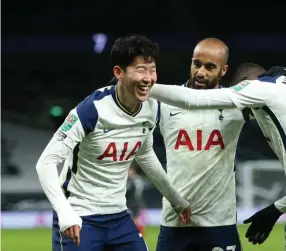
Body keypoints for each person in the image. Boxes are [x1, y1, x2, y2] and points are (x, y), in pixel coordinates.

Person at [148, 66, 286, 251]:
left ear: (245, 83)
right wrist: (276, 209)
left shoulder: (260, 87)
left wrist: (144, 85)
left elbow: (196, 98)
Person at [36, 34, 190, 251]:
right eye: (140, 70)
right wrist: (65, 212)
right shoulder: (91, 110)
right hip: (80, 217)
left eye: (152, 69)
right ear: (119, 72)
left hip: (119, 217)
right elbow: (46, 162)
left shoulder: (151, 107)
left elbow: (144, 154)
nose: (149, 78)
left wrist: (176, 199)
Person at [156, 38, 260, 251]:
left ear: (224, 70)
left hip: (220, 222)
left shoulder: (236, 105)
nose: (201, 72)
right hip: (175, 221)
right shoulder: (165, 102)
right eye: (197, 64)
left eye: (210, 67)